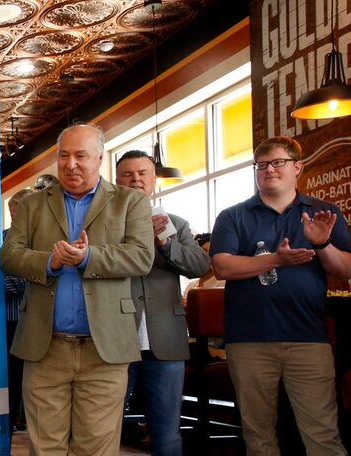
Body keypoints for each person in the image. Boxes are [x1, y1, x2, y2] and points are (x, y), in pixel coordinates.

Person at [0, 124, 155, 455]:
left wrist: (89, 257)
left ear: (100, 157)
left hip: (106, 349)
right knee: (45, 447)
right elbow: (8, 257)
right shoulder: (33, 205)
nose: (71, 164)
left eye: (81, 156)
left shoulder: (130, 202)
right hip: (45, 347)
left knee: (96, 448)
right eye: (64, 156)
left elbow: (142, 257)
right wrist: (49, 263)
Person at [210, 136, 351, 456]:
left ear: (297, 167)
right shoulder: (233, 216)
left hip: (308, 337)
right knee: (258, 436)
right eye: (261, 165)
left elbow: (347, 269)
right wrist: (276, 259)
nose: (268, 170)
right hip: (248, 338)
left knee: (322, 433)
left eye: (277, 162)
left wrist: (322, 245)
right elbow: (222, 266)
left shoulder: (323, 212)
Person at [115, 150, 210, 456]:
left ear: (154, 179)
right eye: (128, 174)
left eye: (142, 173)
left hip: (166, 338)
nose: (136, 179)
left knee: (167, 432)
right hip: (115, 337)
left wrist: (167, 244)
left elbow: (198, 265)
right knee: (104, 427)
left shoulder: (176, 223)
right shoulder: (106, 223)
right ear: (116, 182)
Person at [4, 187, 34, 434]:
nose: (14, 222)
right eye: (12, 217)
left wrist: (4, 279)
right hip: (3, 321)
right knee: (9, 377)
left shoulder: (42, 239)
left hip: (29, 320)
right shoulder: (1, 236)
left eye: (18, 217)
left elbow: (24, 282)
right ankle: (8, 423)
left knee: (28, 379)